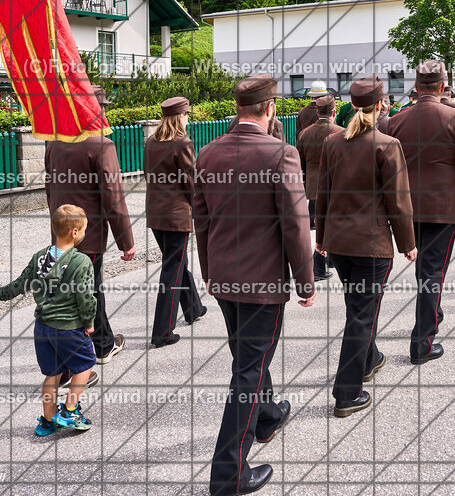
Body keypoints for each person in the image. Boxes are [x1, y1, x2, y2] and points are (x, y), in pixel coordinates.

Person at [193, 74, 315, 495]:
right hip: (262, 283)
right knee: (248, 369)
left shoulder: (207, 153)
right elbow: (297, 225)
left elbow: (201, 220)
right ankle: (229, 471)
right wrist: (305, 279)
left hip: (225, 279)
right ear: (270, 109)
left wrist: (208, 270)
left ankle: (265, 415)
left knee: (247, 359)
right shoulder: (281, 153)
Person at [316, 76, 416, 416]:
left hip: (340, 243)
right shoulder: (386, 144)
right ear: (380, 106)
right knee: (362, 316)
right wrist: (408, 243)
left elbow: (323, 196)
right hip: (371, 244)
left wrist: (320, 238)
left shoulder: (333, 143)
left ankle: (370, 360)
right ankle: (347, 393)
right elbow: (399, 202)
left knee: (357, 309)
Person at [388, 60, 455, 363]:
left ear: (416, 87)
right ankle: (422, 344)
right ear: (444, 87)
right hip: (442, 207)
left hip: (405, 207)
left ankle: (434, 313)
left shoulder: (395, 121)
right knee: (432, 272)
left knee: (426, 271)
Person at [0, 205, 97, 437]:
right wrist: (89, 322)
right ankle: (70, 410)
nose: (83, 234)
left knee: (52, 374)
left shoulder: (40, 257)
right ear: (74, 232)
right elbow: (85, 298)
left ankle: (48, 419)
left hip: (43, 328)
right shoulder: (81, 262)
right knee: (85, 364)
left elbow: (19, 285)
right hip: (69, 328)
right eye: (83, 230)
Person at [45, 86, 135, 369]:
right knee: (90, 290)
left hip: (61, 233)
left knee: (83, 289)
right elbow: (113, 197)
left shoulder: (54, 143)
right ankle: (95, 350)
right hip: (89, 233)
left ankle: (103, 343)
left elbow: (49, 189)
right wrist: (126, 241)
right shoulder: (100, 145)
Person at [143, 97, 207, 348]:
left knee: (177, 262)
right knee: (173, 267)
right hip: (176, 215)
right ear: (180, 117)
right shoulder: (183, 143)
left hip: (155, 214)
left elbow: (149, 175)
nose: (188, 118)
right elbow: (191, 182)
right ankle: (162, 332)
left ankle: (193, 308)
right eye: (186, 115)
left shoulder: (151, 142)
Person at [296, 94, 343, 281]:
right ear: (334, 112)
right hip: (335, 186)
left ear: (317, 111)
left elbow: (299, 162)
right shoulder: (341, 132)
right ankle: (320, 265)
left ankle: (323, 263)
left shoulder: (305, 133)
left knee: (319, 225)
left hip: (313, 187)